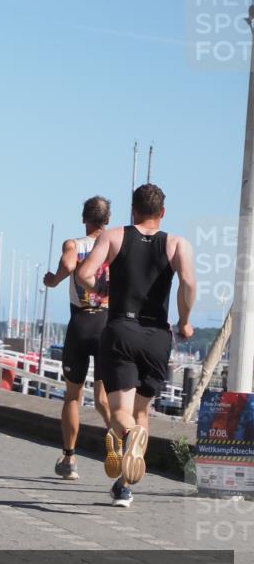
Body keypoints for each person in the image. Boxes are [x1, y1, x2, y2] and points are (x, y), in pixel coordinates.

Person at [76, 183, 195, 507]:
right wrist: (185, 319)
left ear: (133, 209)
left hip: (121, 330)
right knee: (142, 412)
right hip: (157, 337)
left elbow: (84, 273)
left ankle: (129, 437)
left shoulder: (113, 236)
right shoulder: (177, 244)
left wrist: (100, 287)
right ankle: (125, 486)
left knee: (120, 414)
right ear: (163, 213)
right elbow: (188, 282)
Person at [42, 195, 113, 481]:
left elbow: (70, 265)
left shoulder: (74, 244)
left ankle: (69, 459)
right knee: (103, 398)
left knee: (73, 396)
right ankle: (118, 439)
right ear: (107, 220)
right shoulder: (115, 245)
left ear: (84, 218)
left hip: (81, 322)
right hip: (107, 323)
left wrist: (54, 280)